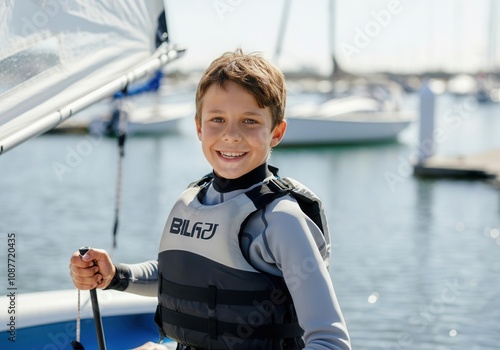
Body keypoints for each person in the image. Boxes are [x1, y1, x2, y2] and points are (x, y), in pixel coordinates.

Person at [69, 49, 351, 350]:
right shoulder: (196, 199)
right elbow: (180, 279)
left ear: (276, 132)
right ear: (199, 127)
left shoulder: (281, 220)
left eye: (250, 121)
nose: (231, 135)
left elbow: (331, 341)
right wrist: (114, 275)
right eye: (218, 119)